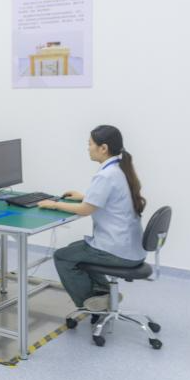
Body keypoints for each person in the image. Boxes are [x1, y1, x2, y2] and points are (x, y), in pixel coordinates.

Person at [38, 125, 147, 312]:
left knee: (62, 257)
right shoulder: (121, 169)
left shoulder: (106, 175)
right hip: (132, 248)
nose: (88, 148)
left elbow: (85, 210)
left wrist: (54, 204)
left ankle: (88, 302)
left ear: (103, 148)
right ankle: (105, 294)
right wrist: (84, 196)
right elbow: (109, 199)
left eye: (90, 144)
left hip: (117, 251)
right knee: (74, 248)